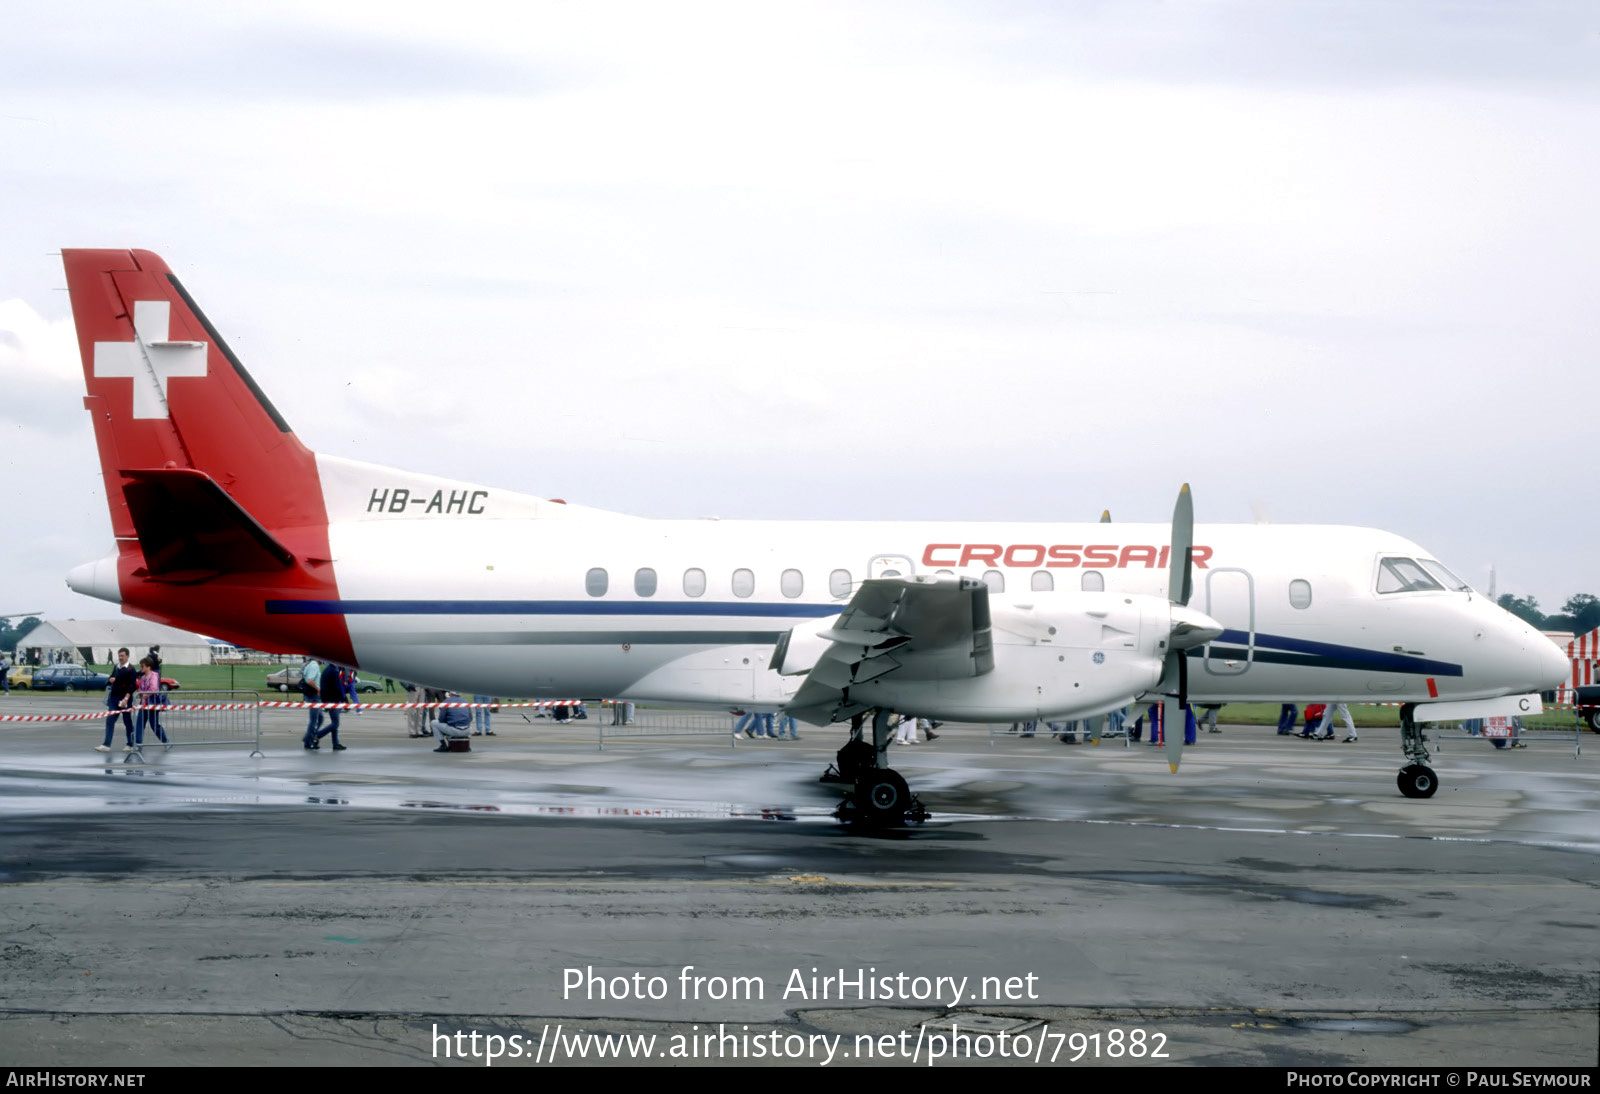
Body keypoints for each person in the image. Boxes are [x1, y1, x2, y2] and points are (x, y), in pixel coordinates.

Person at [97, 647, 138, 753]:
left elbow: (132, 686)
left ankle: (130, 744)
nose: (120, 658)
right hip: (114, 698)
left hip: (125, 699)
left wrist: (126, 698)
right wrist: (110, 680)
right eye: (119, 655)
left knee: (127, 721)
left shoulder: (131, 669)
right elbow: (112, 677)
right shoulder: (116, 667)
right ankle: (106, 744)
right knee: (110, 720)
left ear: (127, 656)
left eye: (122, 656)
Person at [134, 656, 169, 748]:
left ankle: (166, 742)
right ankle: (138, 744)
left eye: (142, 666)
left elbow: (153, 688)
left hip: (152, 704)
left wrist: (146, 694)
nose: (141, 668)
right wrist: (141, 693)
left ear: (148, 667)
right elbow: (140, 688)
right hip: (143, 704)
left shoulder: (154, 675)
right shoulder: (143, 677)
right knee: (139, 724)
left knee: (154, 725)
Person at [313, 661, 347, 751]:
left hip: (328, 699)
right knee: (335, 723)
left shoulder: (326, 670)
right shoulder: (334, 671)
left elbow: (323, 686)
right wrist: (343, 699)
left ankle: (335, 743)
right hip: (333, 700)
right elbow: (337, 686)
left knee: (334, 722)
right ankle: (317, 735)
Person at [300, 656, 323, 749]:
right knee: (314, 720)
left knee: (320, 718)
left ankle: (308, 736)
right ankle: (308, 742)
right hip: (314, 696)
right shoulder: (314, 666)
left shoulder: (309, 665)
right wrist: (318, 689)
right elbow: (310, 680)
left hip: (310, 695)